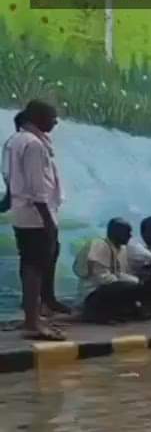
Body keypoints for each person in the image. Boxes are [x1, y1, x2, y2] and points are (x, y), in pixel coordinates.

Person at [8, 100, 66, 341]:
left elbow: (8, 177)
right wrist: (49, 222)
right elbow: (37, 187)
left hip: (22, 212)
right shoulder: (33, 145)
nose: (55, 121)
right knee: (35, 266)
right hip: (36, 216)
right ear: (38, 117)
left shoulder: (15, 140)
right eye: (52, 117)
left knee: (29, 264)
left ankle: (31, 316)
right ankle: (33, 323)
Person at [73, 219, 151, 323]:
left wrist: (138, 282)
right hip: (92, 294)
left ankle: (118, 312)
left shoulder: (120, 249)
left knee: (140, 284)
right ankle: (94, 314)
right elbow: (101, 278)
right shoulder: (99, 245)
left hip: (106, 289)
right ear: (116, 233)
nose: (130, 236)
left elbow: (119, 274)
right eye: (127, 233)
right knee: (130, 286)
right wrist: (133, 283)